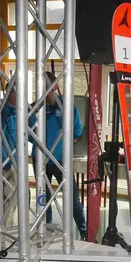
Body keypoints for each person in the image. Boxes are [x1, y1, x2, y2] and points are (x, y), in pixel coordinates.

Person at [30, 71, 87, 239]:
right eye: (42, 86)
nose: (45, 90)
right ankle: (45, 231)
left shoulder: (66, 106)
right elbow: (27, 133)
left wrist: (66, 142)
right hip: (40, 160)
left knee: (72, 199)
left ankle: (85, 233)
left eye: (48, 86)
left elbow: (77, 131)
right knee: (43, 198)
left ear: (55, 87)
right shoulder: (33, 108)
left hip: (61, 160)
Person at [0, 85, 18, 225]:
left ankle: (9, 228)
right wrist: (5, 161)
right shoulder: (0, 112)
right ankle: (3, 230)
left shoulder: (18, 111)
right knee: (5, 199)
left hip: (16, 162)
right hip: (4, 163)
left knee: (15, 199)